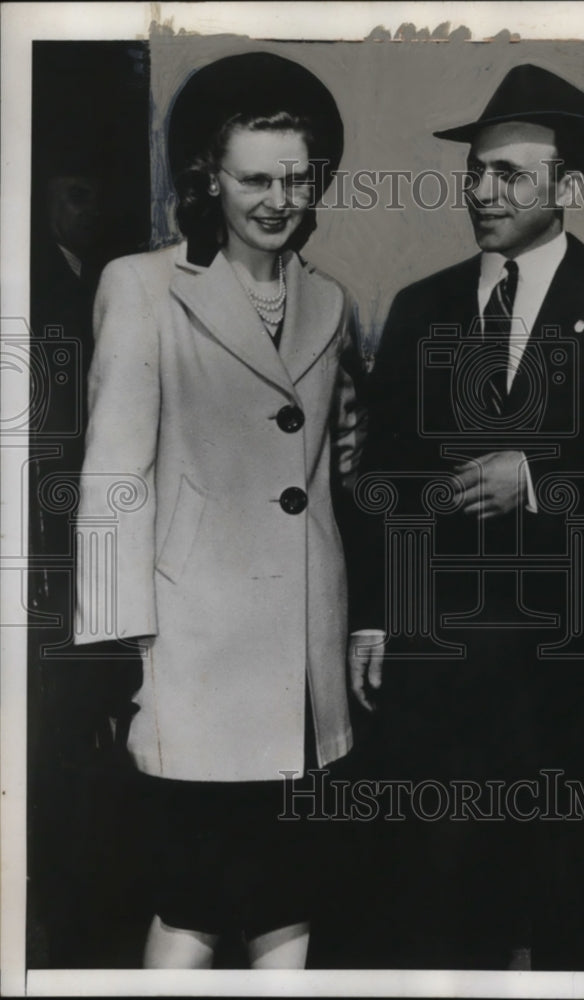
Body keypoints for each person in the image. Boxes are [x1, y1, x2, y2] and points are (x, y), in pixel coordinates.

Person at [347, 63, 584, 969]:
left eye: (508, 173)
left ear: (568, 183)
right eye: (476, 172)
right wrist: (379, 615)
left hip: (577, 683)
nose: (481, 191)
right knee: (442, 921)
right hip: (446, 683)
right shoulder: (423, 308)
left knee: (568, 924)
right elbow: (383, 475)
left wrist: (538, 478)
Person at [74, 51, 364, 969]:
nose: (278, 199)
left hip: (305, 659)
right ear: (210, 177)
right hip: (192, 657)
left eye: (296, 178)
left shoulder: (333, 302)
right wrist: (116, 661)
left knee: (290, 903)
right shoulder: (143, 286)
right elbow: (114, 479)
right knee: (194, 905)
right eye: (254, 179)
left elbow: (333, 476)